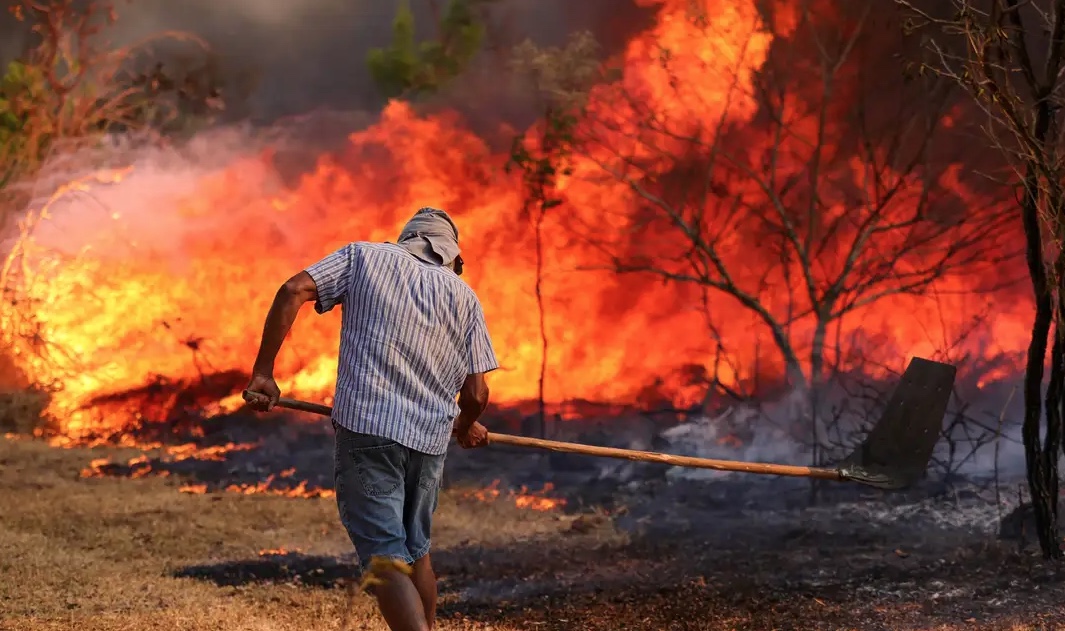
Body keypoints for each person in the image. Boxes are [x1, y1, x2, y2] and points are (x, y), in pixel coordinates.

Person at [242, 207, 499, 631]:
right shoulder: (465, 297)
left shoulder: (364, 257)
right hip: (429, 443)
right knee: (416, 551)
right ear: (452, 255)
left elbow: (293, 289)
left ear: (406, 240)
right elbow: (476, 393)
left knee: (385, 556)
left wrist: (264, 373)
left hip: (369, 431)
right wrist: (465, 422)